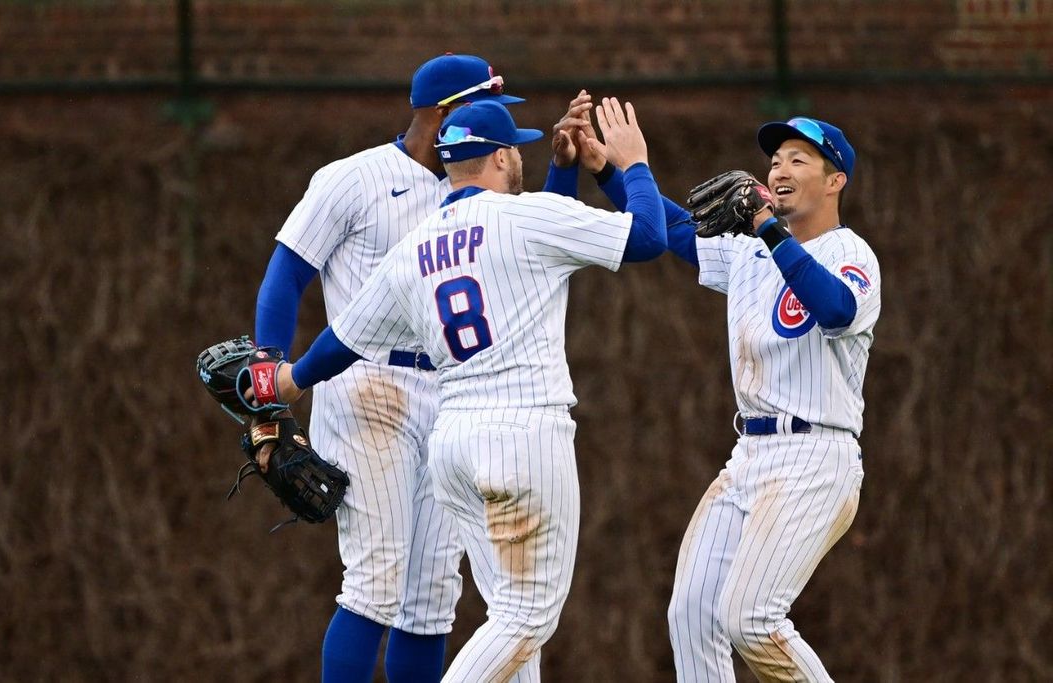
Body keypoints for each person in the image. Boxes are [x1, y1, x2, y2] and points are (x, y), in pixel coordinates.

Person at [246, 97, 669, 681]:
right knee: (527, 618)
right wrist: (634, 164)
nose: (519, 157)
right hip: (524, 437)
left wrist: (287, 382)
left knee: (507, 614)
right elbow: (648, 236)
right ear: (499, 158)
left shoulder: (418, 246)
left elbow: (341, 340)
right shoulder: (525, 217)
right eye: (515, 149)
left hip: (454, 444)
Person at [654, 118, 881, 682]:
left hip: (815, 456)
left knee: (751, 619)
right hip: (749, 456)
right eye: (776, 159)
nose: (779, 168)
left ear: (835, 181)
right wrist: (617, 168)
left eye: (799, 159)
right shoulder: (751, 254)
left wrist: (766, 228)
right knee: (691, 615)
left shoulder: (852, 255)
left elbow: (833, 310)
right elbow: (675, 230)